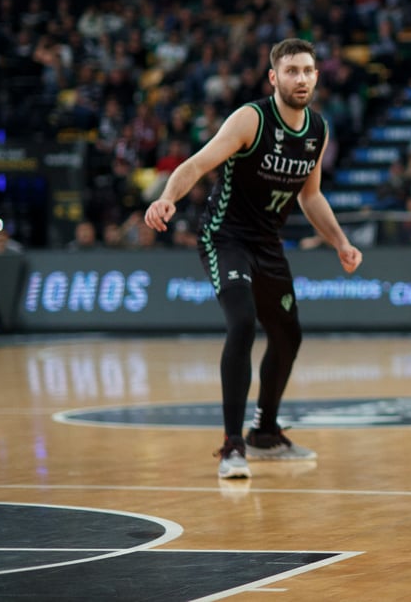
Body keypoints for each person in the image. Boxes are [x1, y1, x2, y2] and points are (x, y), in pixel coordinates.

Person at [145, 38, 362, 480]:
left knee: (289, 336)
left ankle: (265, 432)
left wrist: (340, 241)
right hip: (226, 237)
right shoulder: (251, 119)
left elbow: (311, 194)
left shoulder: (317, 130)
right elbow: (198, 163)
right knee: (242, 322)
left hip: (268, 243)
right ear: (273, 78)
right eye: (291, 71)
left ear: (317, 76)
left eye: (307, 71)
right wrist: (167, 197)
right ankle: (232, 446)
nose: (300, 79)